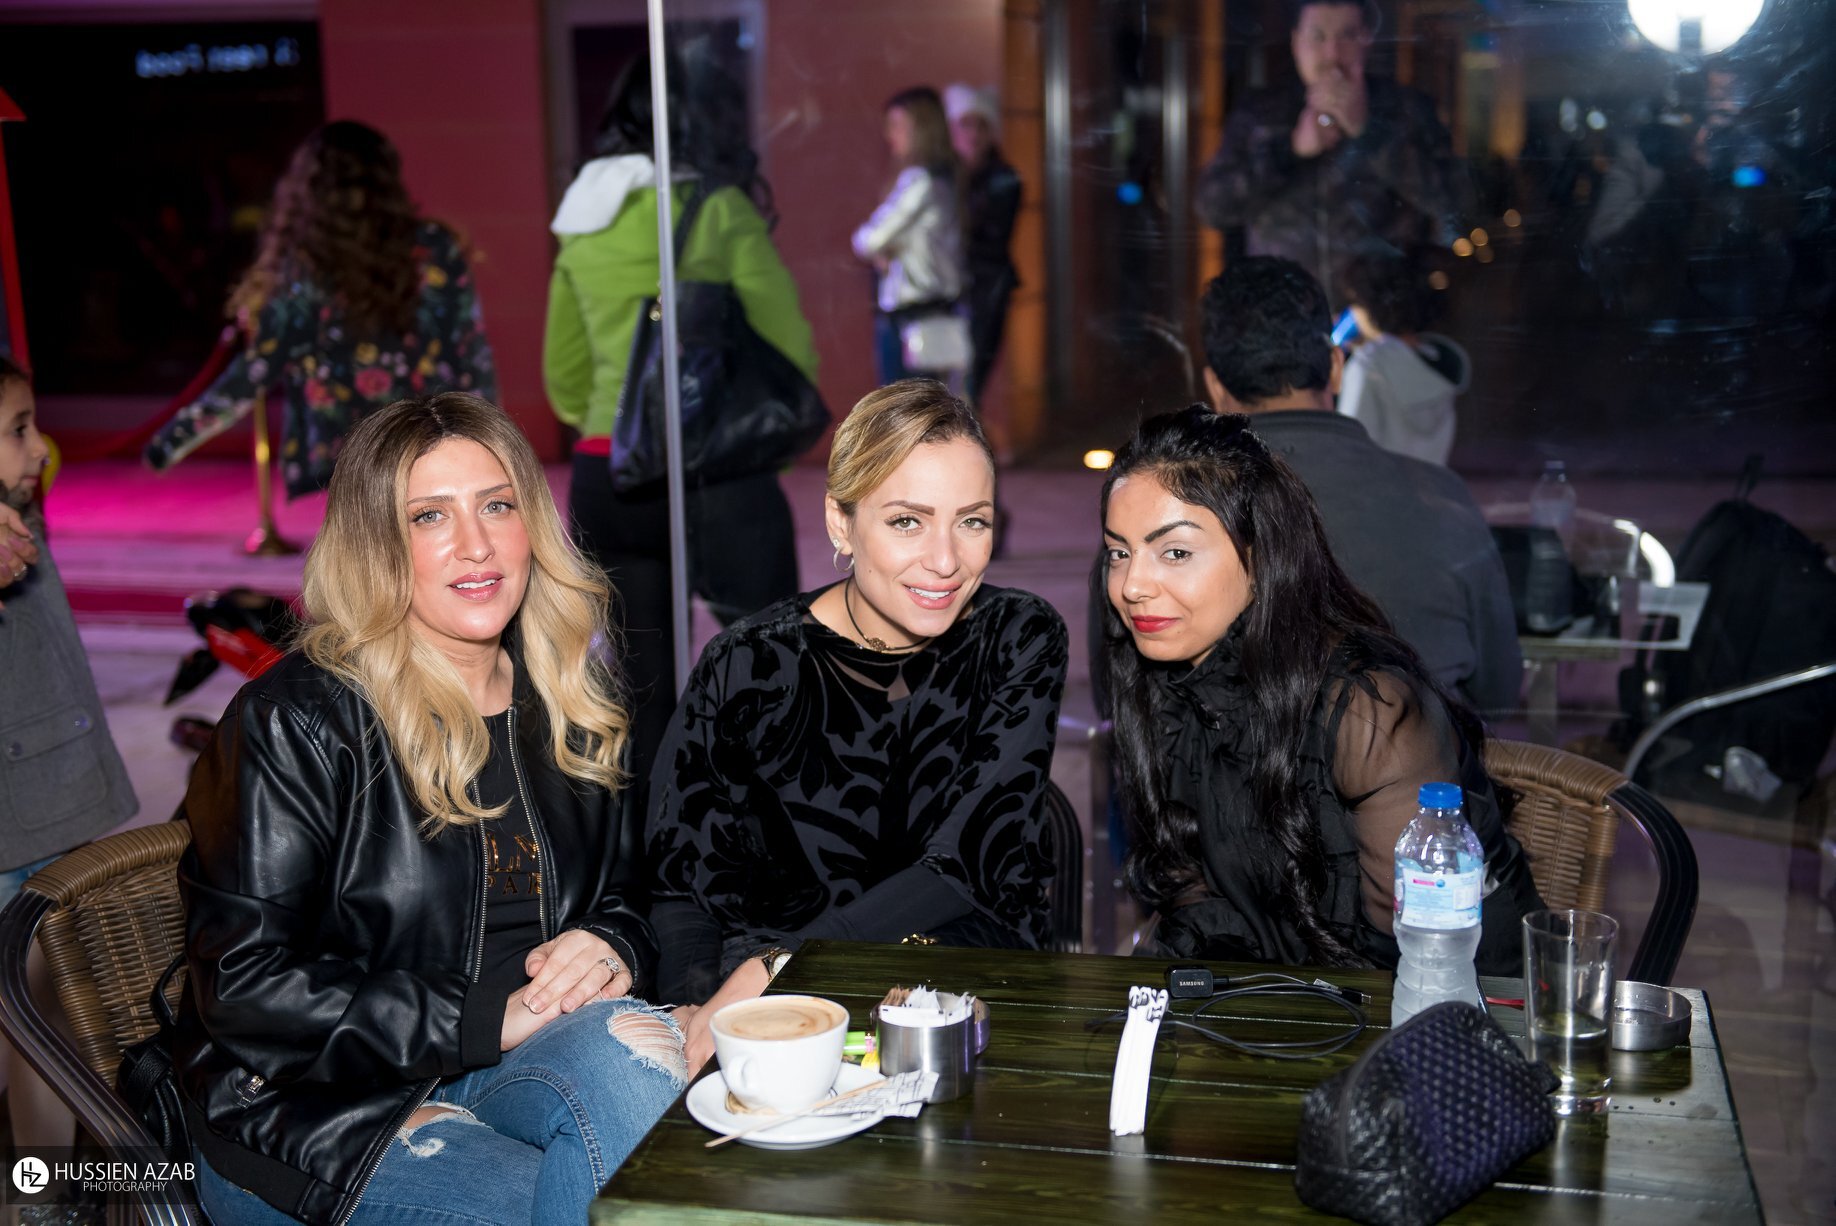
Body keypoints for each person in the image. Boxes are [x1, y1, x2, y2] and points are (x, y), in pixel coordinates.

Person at [172, 394, 683, 1226]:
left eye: (497, 506)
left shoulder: (568, 694)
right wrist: (483, 1016)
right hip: (313, 1111)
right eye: (429, 516)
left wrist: (611, 943)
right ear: (374, 543)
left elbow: (631, 894)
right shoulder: (296, 720)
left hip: (511, 1060)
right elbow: (246, 986)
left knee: (639, 1068)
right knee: (598, 1198)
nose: (476, 545)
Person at [648, 379, 1067, 1067]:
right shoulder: (747, 663)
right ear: (841, 523)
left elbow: (965, 860)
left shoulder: (1018, 637)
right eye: (907, 521)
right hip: (768, 1000)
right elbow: (681, 878)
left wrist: (788, 960)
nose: (945, 560)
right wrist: (696, 1010)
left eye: (972, 521)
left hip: (960, 980)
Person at [1096, 405, 1543, 972]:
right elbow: (1191, 890)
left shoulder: (1367, 712)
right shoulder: (1159, 676)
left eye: (1175, 552)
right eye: (1119, 553)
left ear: (1262, 557)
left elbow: (1411, 957)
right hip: (1286, 997)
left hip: (1459, 1002)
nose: (1132, 585)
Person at [546, 54, 818, 792]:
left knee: (639, 699)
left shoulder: (583, 220)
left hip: (610, 476)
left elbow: (563, 374)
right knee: (766, 680)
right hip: (719, 476)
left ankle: (652, 848)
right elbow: (790, 347)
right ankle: (754, 844)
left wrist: (616, 425)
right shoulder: (719, 209)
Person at [1200, 256, 1519, 715]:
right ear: (1335, 367)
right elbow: (1499, 689)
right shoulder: (1443, 496)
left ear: (1215, 385)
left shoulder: (1174, 507)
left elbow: (1122, 691)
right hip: (1422, 757)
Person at [144, 121, 496, 497]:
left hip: (344, 459)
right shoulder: (433, 248)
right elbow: (472, 354)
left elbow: (254, 372)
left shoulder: (304, 267)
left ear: (307, 187)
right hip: (427, 444)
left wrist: (171, 441)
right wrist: (492, 446)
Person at [0, 355, 138, 1158]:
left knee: (50, 1024)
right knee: (30, 1026)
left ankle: (48, 1187)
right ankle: (41, 1188)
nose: (39, 447)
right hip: (17, 832)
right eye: (17, 430)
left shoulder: (20, 508)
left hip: (54, 810)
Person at [1196, 0, 1463, 301]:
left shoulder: (1406, 110)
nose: (1332, 54)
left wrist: (1370, 134)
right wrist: (1289, 149)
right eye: (1318, 37)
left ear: (1366, 39)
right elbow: (1212, 207)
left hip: (1383, 310)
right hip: (1284, 310)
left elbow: (1456, 203)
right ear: (1297, 42)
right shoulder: (1259, 113)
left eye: (1347, 35)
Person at [853, 87, 969, 386]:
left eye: (898, 125)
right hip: (934, 311)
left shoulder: (920, 182)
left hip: (913, 315)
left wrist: (885, 248)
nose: (890, 135)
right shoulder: (946, 178)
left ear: (922, 130)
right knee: (930, 402)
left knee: (907, 406)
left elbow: (869, 240)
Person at [1337, 249, 1469, 465]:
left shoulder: (1367, 366)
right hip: (1434, 483)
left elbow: (1348, 452)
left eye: (1355, 302)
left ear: (1369, 305)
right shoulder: (1438, 362)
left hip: (1380, 486)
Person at [945, 83, 1022, 407]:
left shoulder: (1004, 178)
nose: (974, 134)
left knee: (972, 378)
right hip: (948, 291)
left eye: (981, 125)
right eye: (966, 124)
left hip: (986, 289)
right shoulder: (941, 176)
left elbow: (990, 233)